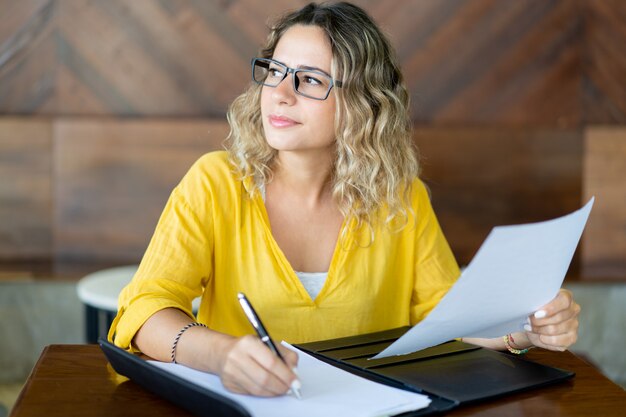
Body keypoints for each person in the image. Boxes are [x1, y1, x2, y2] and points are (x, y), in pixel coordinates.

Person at [108, 1, 581, 398]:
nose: (281, 93)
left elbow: (447, 318)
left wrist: (522, 332)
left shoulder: (401, 198)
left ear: (363, 102)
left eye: (311, 79)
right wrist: (222, 354)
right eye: (276, 71)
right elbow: (143, 311)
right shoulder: (215, 182)